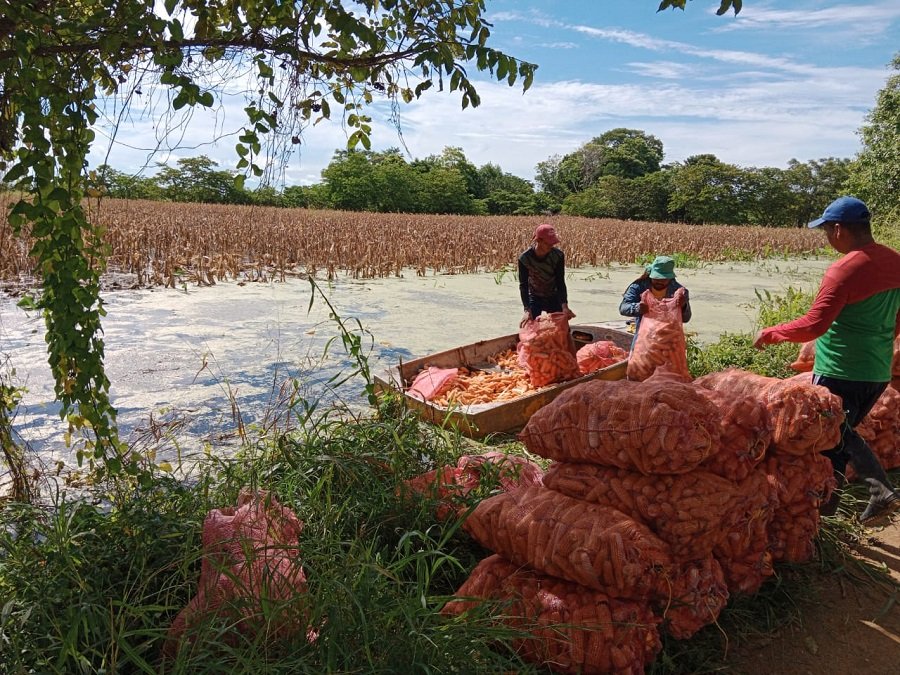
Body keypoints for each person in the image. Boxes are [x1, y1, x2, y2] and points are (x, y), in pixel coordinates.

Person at [753, 196, 900, 523]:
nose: (827, 238)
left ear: (838, 229)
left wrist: (773, 332)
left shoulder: (845, 270)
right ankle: (827, 512)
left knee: (837, 431)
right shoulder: (895, 262)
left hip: (841, 369)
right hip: (877, 370)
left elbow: (814, 324)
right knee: (833, 441)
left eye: (826, 232)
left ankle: (880, 489)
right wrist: (879, 343)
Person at [619, 255, 691, 339]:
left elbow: (686, 318)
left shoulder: (679, 292)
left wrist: (683, 306)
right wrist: (638, 308)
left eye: (663, 279)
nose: (659, 282)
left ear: (670, 278)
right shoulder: (638, 287)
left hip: (668, 339)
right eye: (656, 278)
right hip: (644, 337)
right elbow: (623, 308)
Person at [518, 224, 575, 327]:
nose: (551, 246)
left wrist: (564, 306)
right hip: (535, 296)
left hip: (553, 295)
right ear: (538, 241)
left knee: (562, 329)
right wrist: (527, 309)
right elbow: (523, 285)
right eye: (548, 243)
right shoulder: (524, 258)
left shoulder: (558, 256)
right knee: (530, 327)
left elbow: (560, 281)